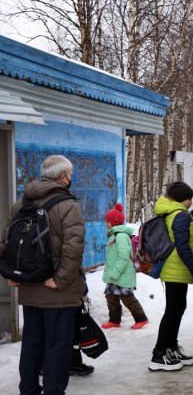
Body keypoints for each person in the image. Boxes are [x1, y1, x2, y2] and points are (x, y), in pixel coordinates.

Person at [0, 154, 86, 395]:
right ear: (63, 177)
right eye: (70, 175)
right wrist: (61, 279)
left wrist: (11, 272)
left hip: (29, 286)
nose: (71, 178)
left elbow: (6, 242)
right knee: (58, 345)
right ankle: (53, 391)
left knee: (32, 342)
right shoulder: (69, 205)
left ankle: (28, 389)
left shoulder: (21, 203)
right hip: (57, 290)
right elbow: (74, 246)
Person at [148, 181, 193, 372]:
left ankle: (171, 348)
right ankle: (159, 353)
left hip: (174, 269)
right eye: (189, 198)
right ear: (183, 199)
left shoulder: (171, 212)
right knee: (173, 310)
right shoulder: (180, 215)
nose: (191, 202)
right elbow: (183, 246)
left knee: (177, 308)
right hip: (175, 269)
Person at [101, 203, 149, 330]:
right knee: (111, 297)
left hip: (121, 273)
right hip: (115, 273)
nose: (106, 223)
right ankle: (114, 320)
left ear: (114, 222)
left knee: (127, 298)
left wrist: (115, 272)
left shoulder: (121, 236)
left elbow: (123, 256)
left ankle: (141, 319)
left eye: (108, 221)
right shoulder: (113, 235)